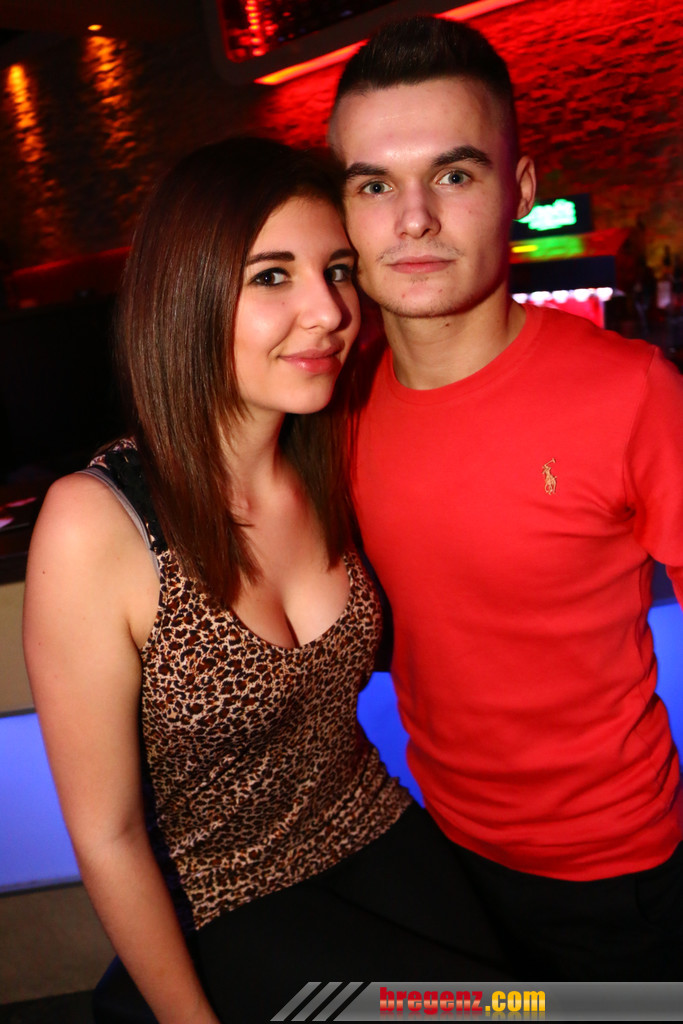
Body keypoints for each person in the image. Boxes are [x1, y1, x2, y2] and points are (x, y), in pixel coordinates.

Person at [23, 137, 511, 1024]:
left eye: (337, 271)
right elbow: (108, 834)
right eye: (272, 276)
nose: (328, 311)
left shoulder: (332, 463)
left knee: (543, 1006)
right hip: (226, 899)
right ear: (188, 296)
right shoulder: (99, 523)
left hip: (377, 831)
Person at [328, 16, 683, 980]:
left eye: (453, 175)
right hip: (435, 854)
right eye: (373, 185)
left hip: (616, 880)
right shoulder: (331, 405)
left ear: (518, 191)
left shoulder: (631, 392)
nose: (412, 220)